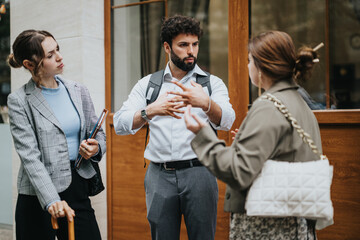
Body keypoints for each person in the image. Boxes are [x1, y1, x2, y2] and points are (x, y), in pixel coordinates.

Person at [183, 31, 322, 239]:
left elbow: (239, 172)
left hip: (267, 226)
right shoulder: (300, 102)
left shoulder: (268, 107)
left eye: (249, 61)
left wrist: (203, 136)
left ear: (261, 67)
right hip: (296, 222)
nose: (247, 66)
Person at [113, 15, 235, 240]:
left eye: (195, 44)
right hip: (159, 176)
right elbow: (119, 123)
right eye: (183, 45)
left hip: (200, 173)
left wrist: (206, 103)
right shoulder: (149, 84)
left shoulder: (211, 84)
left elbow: (228, 120)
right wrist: (150, 111)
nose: (191, 51)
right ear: (167, 47)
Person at [7, 30, 106, 240]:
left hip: (77, 185)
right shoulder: (19, 101)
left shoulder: (78, 90)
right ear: (29, 64)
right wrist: (52, 201)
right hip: (37, 193)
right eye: (50, 55)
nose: (59, 57)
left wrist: (96, 147)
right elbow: (30, 157)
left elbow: (97, 132)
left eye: (57, 49)